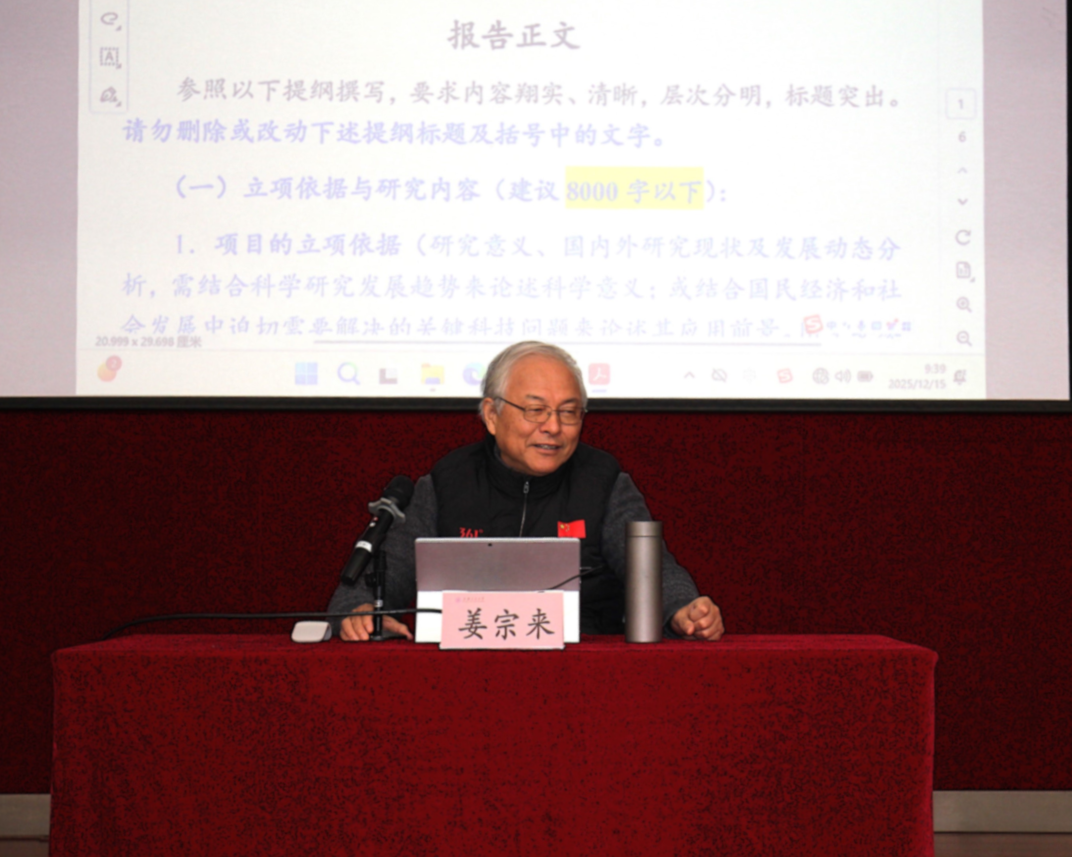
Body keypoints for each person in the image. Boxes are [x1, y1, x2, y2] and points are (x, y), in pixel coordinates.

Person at [328, 341, 724, 642]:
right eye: (535, 410)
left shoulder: (604, 480)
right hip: (462, 668)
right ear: (491, 415)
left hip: (585, 663)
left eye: (568, 412)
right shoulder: (448, 481)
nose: (553, 427)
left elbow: (653, 571)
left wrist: (683, 607)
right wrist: (357, 610)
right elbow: (388, 569)